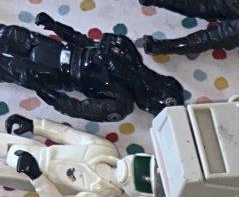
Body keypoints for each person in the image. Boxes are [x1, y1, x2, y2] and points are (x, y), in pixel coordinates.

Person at [0, 13, 186, 122]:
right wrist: (55, 26)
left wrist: (39, 87)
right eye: (160, 84)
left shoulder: (121, 104)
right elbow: (86, 42)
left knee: (7, 67)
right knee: (8, 34)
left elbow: (76, 108)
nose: (153, 84)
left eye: (157, 91)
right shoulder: (127, 53)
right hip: (56, 49)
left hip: (53, 74)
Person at [0, 116, 159, 197]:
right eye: (145, 163)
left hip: (27, 176)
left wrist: (36, 176)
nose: (136, 168)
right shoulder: (105, 148)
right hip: (34, 149)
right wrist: (36, 125)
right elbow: (66, 134)